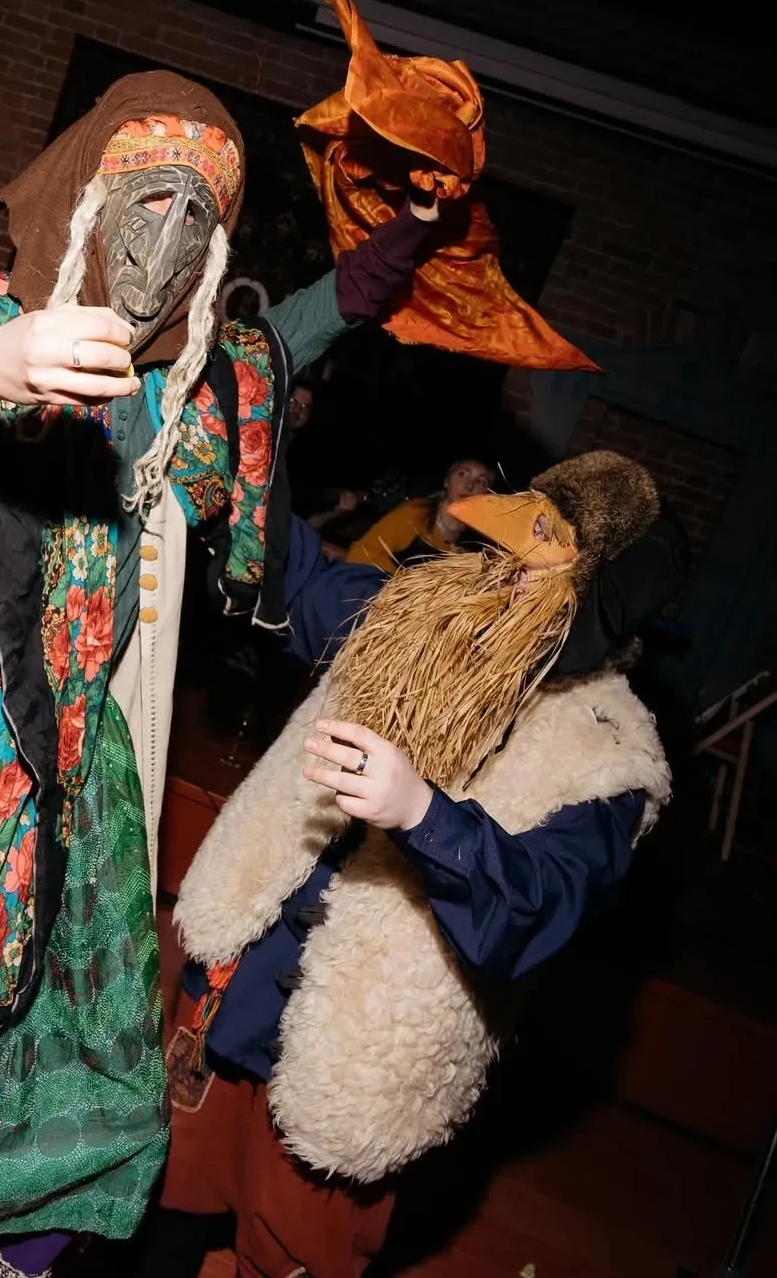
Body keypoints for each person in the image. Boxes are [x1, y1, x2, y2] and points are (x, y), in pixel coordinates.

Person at [0, 72, 447, 1278]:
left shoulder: (189, 385)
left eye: (201, 219)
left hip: (91, 798)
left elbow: (314, 321)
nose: (168, 242)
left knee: (86, 1088)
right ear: (87, 199)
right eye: (149, 200)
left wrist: (409, 231)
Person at [139, 450, 690, 1278]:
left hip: (355, 1059)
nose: (505, 575)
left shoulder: (607, 758)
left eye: (535, 565)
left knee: (289, 1253)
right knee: (168, 1207)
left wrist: (423, 815)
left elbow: (538, 908)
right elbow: (294, 576)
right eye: (509, 550)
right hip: (236, 991)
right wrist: (234, 455)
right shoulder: (419, 614)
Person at [346, 455, 493, 569]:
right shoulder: (415, 514)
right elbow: (362, 553)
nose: (469, 486)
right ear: (446, 481)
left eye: (481, 482)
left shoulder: (481, 543)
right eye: (462, 474)